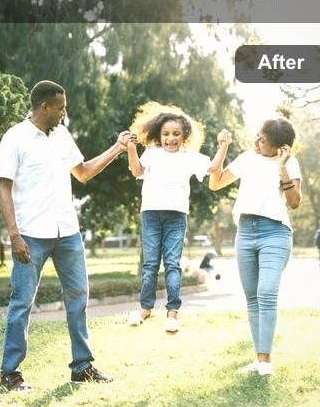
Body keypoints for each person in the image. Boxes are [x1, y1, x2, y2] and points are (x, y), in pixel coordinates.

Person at [0, 80, 132, 390]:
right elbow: (3, 187)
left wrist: (117, 148)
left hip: (67, 232)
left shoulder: (61, 134)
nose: (64, 111)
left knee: (78, 298)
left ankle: (81, 367)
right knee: (22, 303)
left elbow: (83, 172)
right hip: (30, 234)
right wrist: (14, 234)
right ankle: (10, 372)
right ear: (44, 106)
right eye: (61, 106)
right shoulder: (15, 138)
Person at [124, 103, 229, 334]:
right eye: (166, 134)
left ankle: (172, 314)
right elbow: (136, 171)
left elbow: (212, 168)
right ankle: (145, 308)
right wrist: (131, 148)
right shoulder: (151, 153)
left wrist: (224, 146)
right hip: (151, 214)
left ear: (184, 136)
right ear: (158, 135)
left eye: (176, 134)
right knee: (150, 264)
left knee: (172, 264)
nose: (170, 139)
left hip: (176, 216)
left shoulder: (189, 157)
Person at [209, 117, 302, 377]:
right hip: (246, 232)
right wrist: (223, 148)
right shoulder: (247, 158)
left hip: (275, 232)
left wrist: (282, 167)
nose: (256, 141)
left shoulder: (290, 162)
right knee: (252, 298)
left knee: (266, 292)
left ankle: (265, 361)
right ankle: (260, 359)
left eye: (262, 139)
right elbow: (215, 184)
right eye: (258, 136)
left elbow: (294, 202)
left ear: (280, 147)